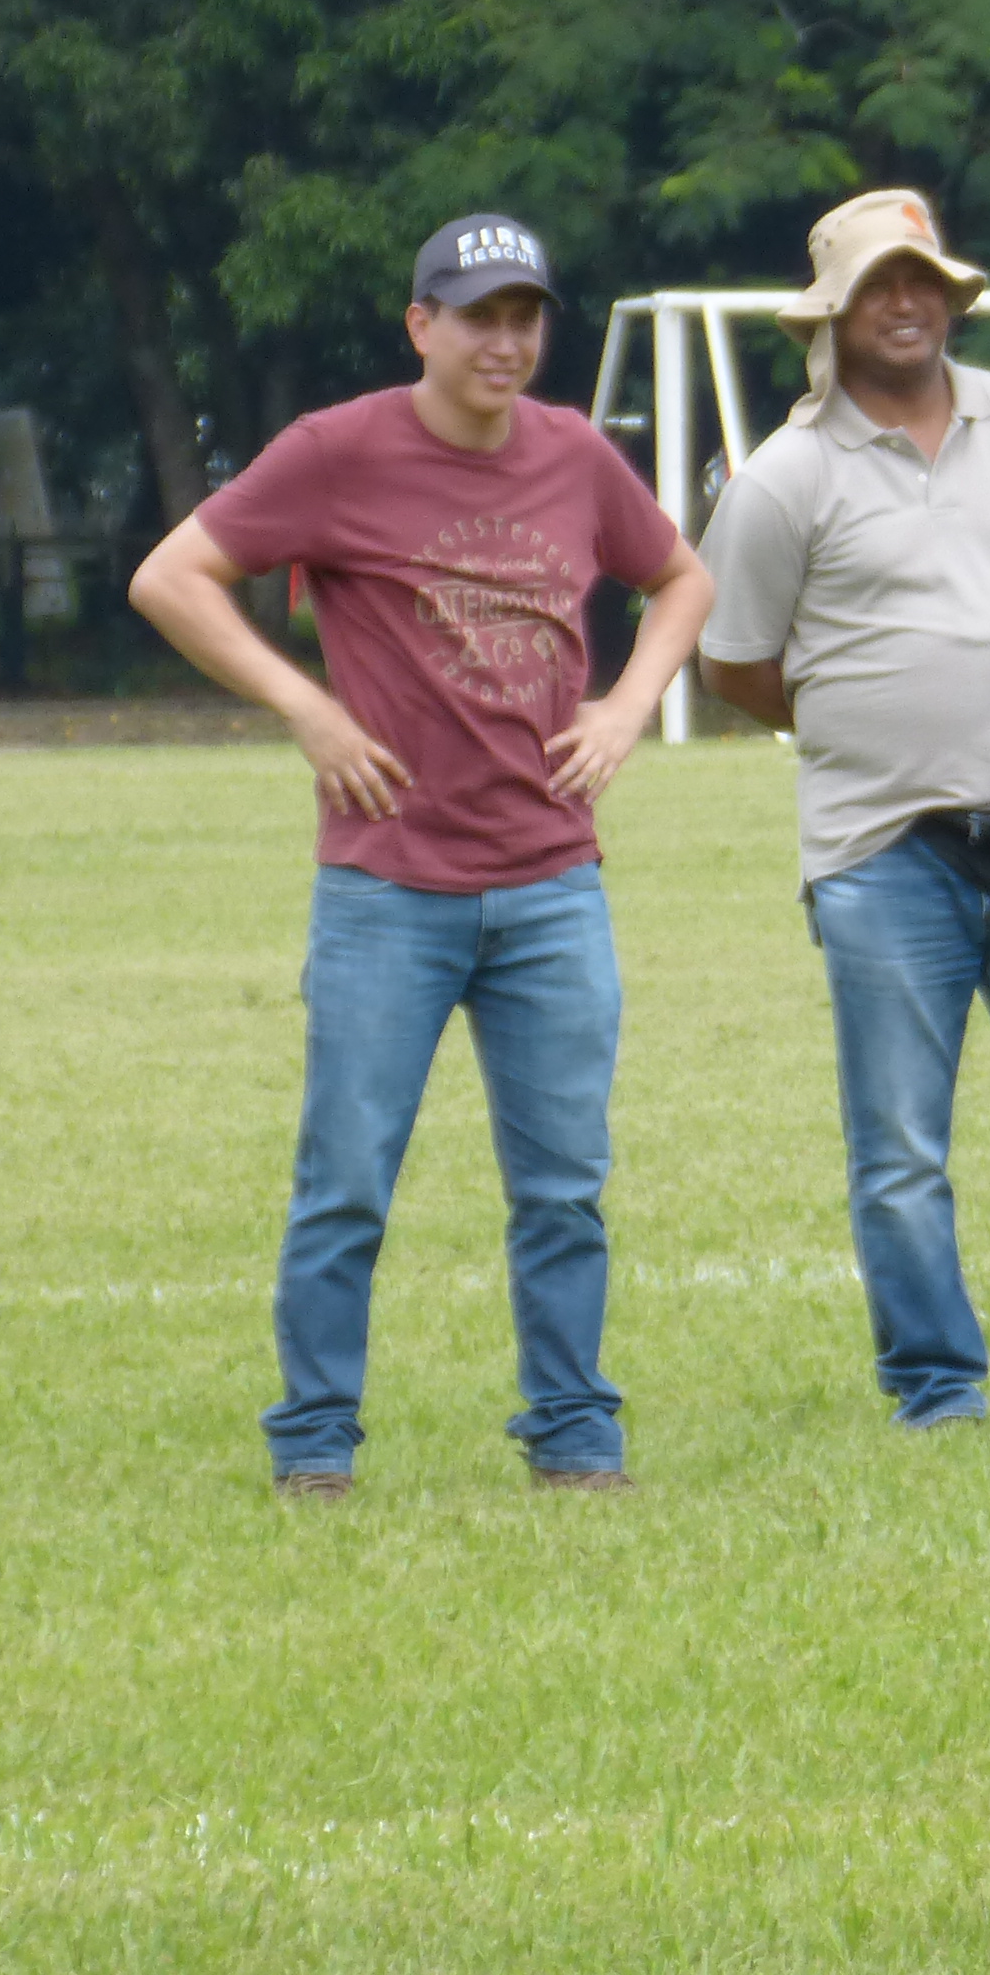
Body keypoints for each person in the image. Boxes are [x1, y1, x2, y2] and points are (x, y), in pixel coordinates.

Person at [126, 214, 716, 1499]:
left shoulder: (571, 454)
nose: (505, 342)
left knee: (563, 1189)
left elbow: (682, 579)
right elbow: (172, 577)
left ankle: (574, 1439)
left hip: (554, 886)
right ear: (421, 327)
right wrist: (308, 709)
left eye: (525, 317)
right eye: (478, 316)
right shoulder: (337, 452)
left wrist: (624, 707)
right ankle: (315, 1449)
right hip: (388, 890)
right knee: (346, 1184)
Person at [693, 190, 990, 1433]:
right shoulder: (784, 479)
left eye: (925, 282)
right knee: (901, 1154)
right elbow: (733, 663)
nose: (906, 303)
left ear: (953, 297)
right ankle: (936, 1383)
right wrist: (862, 715)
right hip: (882, 855)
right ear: (833, 313)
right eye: (877, 286)